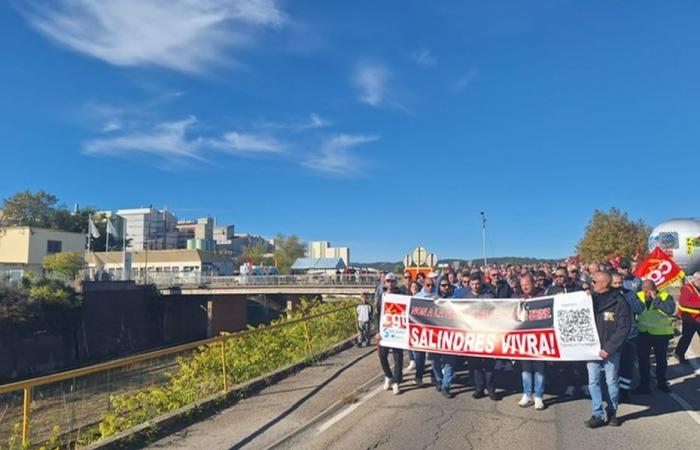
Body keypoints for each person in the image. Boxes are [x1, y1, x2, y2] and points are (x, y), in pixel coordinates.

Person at [585, 271, 631, 428]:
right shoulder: (590, 299)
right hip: (591, 349)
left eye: (594, 281)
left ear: (604, 283)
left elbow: (623, 328)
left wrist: (609, 348)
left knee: (611, 381)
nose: (592, 284)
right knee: (593, 382)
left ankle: (612, 412)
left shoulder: (619, 301)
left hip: (610, 351)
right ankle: (597, 414)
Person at [462, 274, 501, 401]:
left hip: (487, 333)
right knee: (475, 363)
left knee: (489, 362)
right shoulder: (465, 298)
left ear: (481, 282)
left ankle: (491, 388)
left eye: (477, 283)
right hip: (472, 334)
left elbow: (496, 311)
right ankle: (479, 388)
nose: (475, 286)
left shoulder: (489, 296)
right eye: (472, 284)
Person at [634, 279, 676, 394]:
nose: (646, 292)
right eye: (644, 290)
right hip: (643, 333)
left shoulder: (664, 296)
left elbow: (670, 310)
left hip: (661, 334)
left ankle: (661, 383)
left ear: (654, 288)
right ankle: (644, 384)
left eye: (649, 290)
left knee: (661, 360)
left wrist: (655, 299)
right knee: (643, 360)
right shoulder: (638, 296)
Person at [611, 273, 644, 402]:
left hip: (630, 335)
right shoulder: (605, 296)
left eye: (620, 283)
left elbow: (640, 308)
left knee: (627, 366)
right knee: (612, 367)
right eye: (615, 283)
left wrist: (628, 298)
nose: (618, 285)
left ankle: (624, 392)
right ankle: (612, 392)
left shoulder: (630, 294)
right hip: (612, 338)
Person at [516, 274, 546, 410]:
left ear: (533, 283)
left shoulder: (543, 297)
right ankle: (527, 394)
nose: (525, 287)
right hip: (523, 339)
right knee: (526, 369)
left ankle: (538, 396)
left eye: (527, 284)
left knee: (539, 369)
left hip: (539, 339)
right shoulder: (517, 299)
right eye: (522, 285)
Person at [375, 273, 404, 395]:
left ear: (395, 282)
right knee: (382, 355)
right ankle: (388, 375)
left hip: (398, 330)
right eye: (387, 281)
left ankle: (396, 382)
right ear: (385, 282)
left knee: (398, 357)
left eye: (392, 281)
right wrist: (377, 331)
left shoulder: (402, 296)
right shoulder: (382, 296)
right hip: (385, 330)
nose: (390, 283)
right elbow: (378, 314)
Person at [675, 271, 700, 364]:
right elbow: (683, 302)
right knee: (686, 338)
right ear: (698, 280)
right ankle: (679, 354)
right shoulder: (687, 288)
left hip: (699, 319)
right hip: (690, 319)